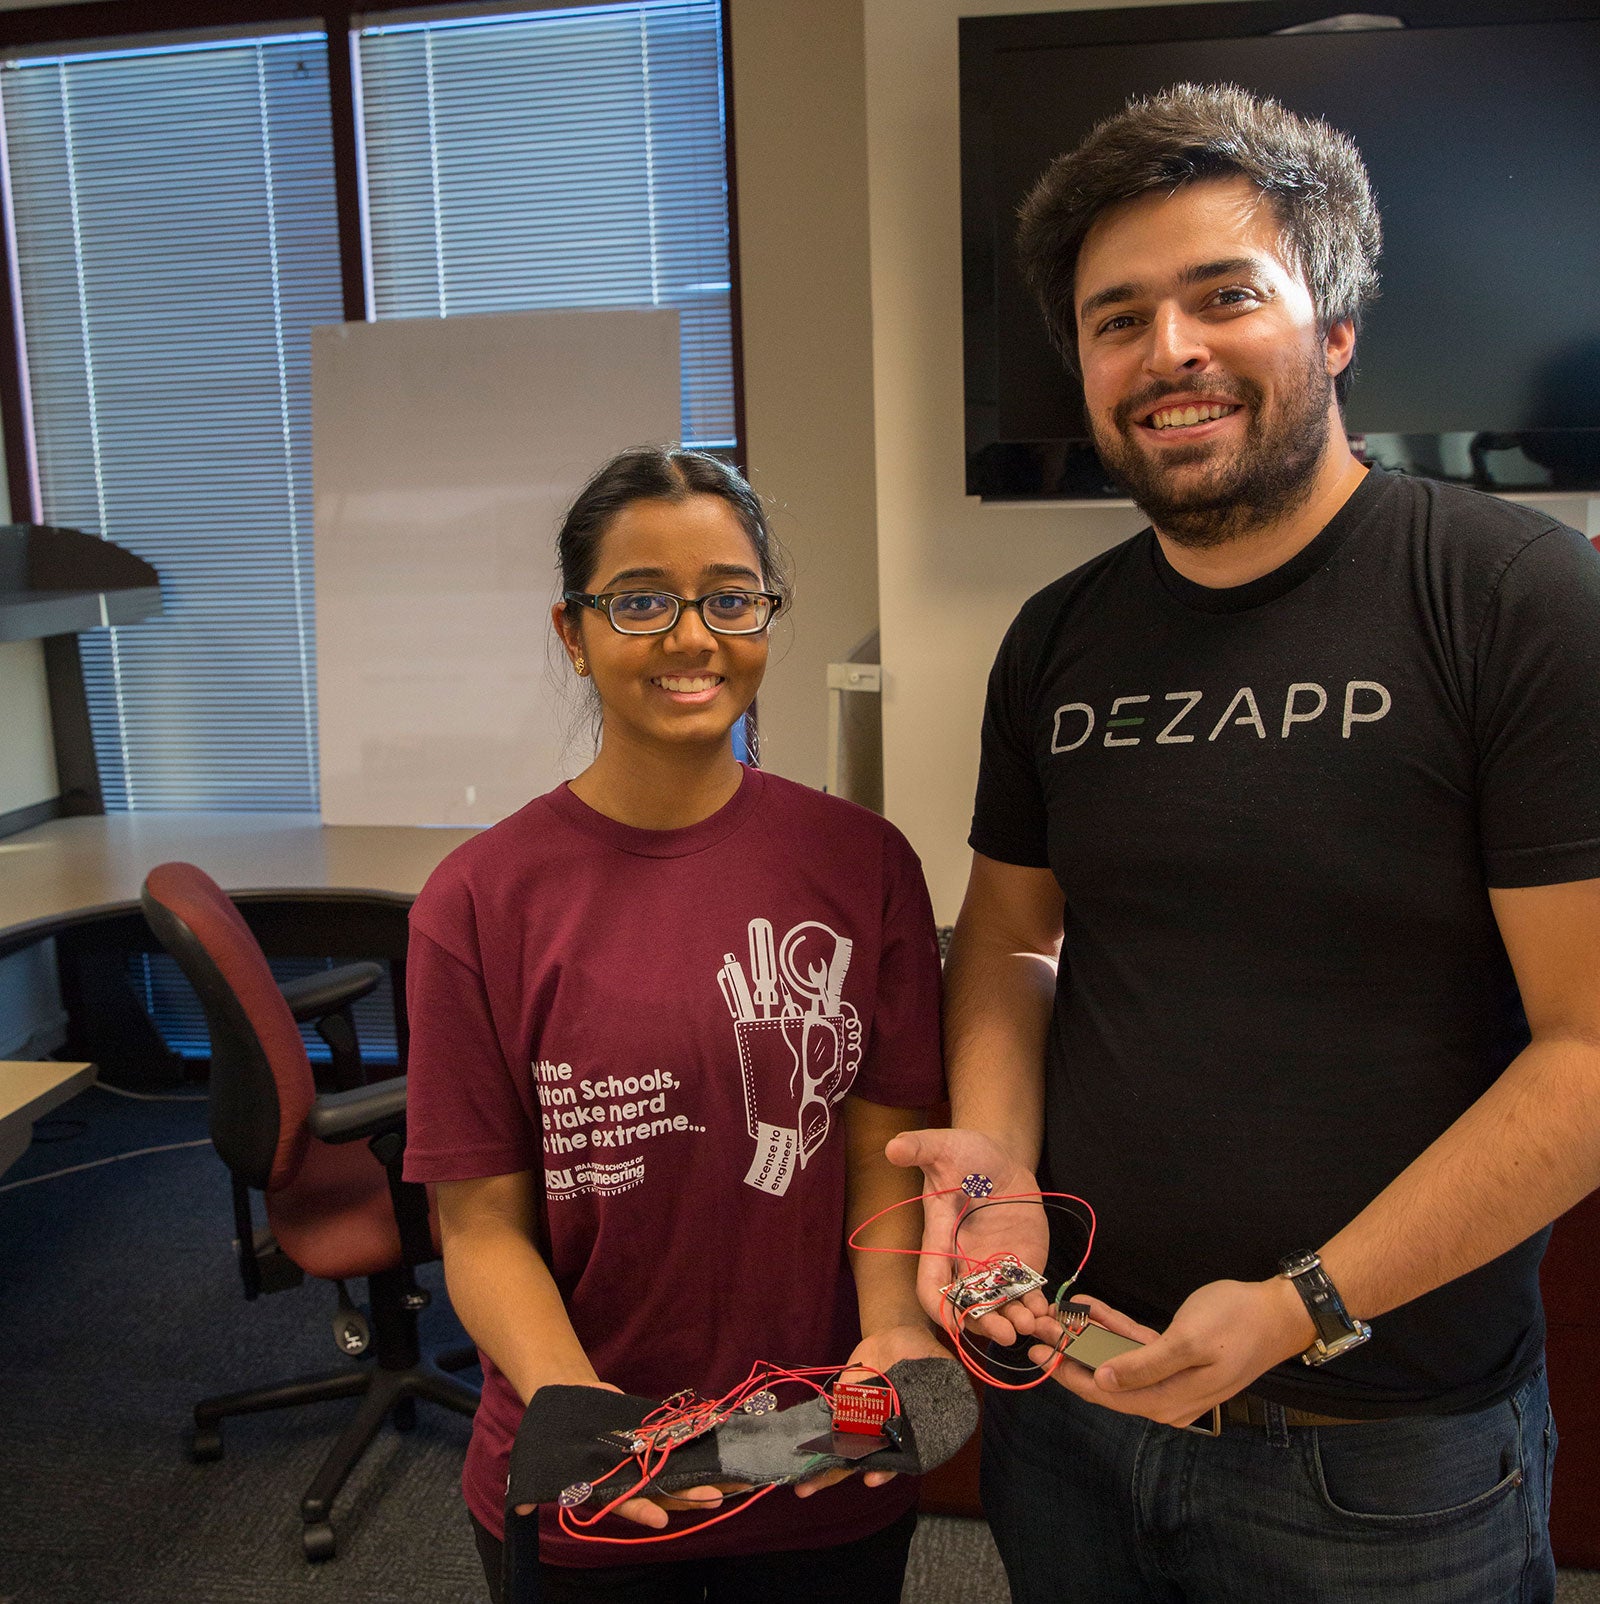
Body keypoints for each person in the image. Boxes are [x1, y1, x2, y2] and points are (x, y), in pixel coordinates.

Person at [889, 82, 1600, 1602]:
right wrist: (1003, 1169)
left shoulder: (1512, 598)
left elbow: (1592, 1048)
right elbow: (1010, 935)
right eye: (1117, 318)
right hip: (1071, 1397)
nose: (1170, 353)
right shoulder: (1057, 641)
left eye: (1226, 297)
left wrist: (1304, 1304)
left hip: (1378, 1453)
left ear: (1334, 328)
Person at [401, 447, 947, 1602]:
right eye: (641, 599)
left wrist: (892, 1322)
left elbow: (885, 1164)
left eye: (729, 596)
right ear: (572, 627)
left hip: (818, 1465)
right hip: (588, 1475)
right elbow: (479, 1223)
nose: (692, 636)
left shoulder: (866, 866)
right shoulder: (480, 899)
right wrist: (576, 1403)